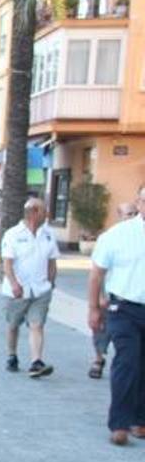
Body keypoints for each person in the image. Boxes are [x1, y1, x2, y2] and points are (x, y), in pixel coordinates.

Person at [88, 185, 145, 445]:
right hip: (123, 309)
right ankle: (120, 424)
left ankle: (140, 419)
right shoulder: (117, 235)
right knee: (127, 362)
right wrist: (93, 308)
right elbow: (97, 272)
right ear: (139, 203)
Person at [0, 197, 58, 377]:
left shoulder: (48, 234)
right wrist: (14, 284)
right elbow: (7, 263)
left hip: (40, 289)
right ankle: (12, 355)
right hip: (18, 290)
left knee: (37, 324)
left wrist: (50, 282)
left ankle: (36, 361)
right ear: (33, 212)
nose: (46, 214)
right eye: (43, 210)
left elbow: (52, 261)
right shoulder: (13, 234)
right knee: (13, 324)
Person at [90, 201, 141, 379]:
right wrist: (97, 302)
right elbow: (98, 274)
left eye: (133, 213)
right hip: (118, 302)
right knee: (123, 354)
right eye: (128, 214)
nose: (131, 216)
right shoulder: (114, 237)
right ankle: (98, 359)